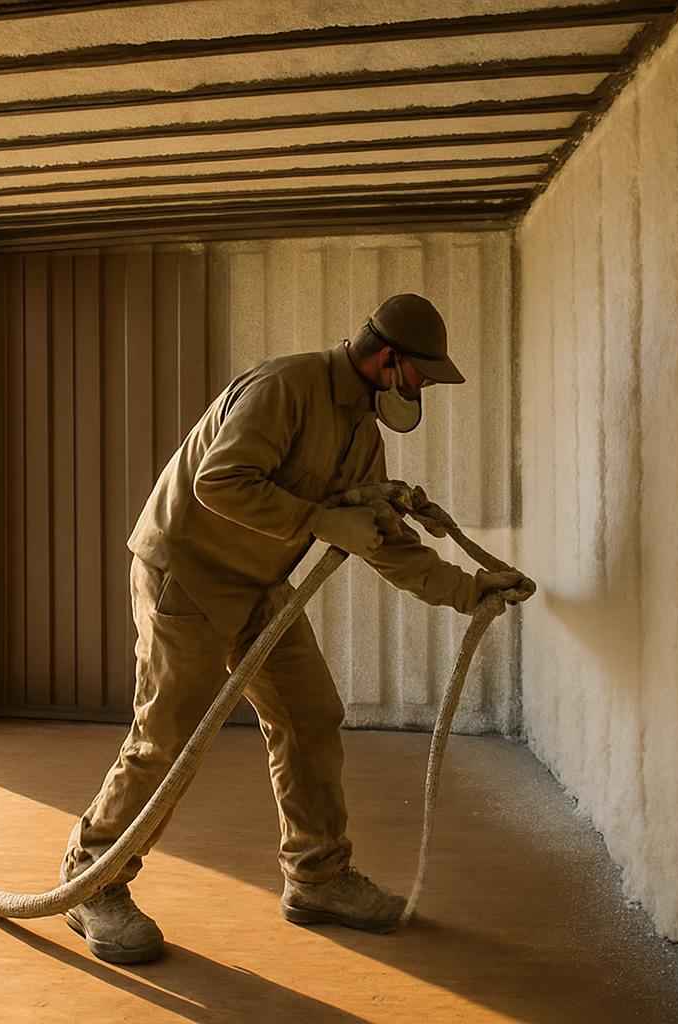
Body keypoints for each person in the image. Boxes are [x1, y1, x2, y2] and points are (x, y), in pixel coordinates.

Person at [59, 293, 527, 964]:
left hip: (258, 583)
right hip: (185, 575)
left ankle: (318, 877)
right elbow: (218, 482)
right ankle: (92, 881)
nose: (423, 389)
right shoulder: (287, 386)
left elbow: (384, 542)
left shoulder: (361, 433)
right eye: (421, 374)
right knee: (167, 739)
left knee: (310, 715)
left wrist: (470, 588)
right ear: (388, 359)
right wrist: (316, 519)